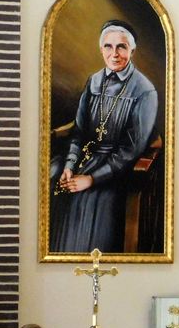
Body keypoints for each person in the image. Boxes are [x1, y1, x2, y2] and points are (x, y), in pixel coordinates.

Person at [50, 19, 159, 253]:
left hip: (118, 167)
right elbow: (79, 131)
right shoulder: (94, 81)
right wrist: (69, 165)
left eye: (121, 47)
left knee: (90, 196)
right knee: (52, 176)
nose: (114, 54)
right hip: (85, 156)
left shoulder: (144, 90)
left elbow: (131, 149)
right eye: (108, 46)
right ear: (101, 49)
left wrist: (91, 179)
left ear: (132, 50)